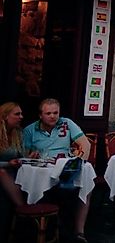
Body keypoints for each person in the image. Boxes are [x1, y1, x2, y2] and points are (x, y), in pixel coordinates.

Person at [22, 99, 92, 242]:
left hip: (65, 169)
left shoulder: (66, 123)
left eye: (56, 113)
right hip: (43, 171)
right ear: (40, 115)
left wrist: (78, 161)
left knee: (87, 185)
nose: (53, 116)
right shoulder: (30, 130)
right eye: (48, 113)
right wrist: (31, 156)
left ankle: (79, 232)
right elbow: (24, 155)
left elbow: (85, 144)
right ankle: (42, 227)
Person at [0, 102, 25, 207]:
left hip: (14, 171)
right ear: (5, 116)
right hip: (3, 170)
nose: (21, 117)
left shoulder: (18, 133)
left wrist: (29, 157)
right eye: (17, 114)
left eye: (21, 114)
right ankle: (23, 208)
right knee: (2, 172)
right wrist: (8, 164)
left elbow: (21, 156)